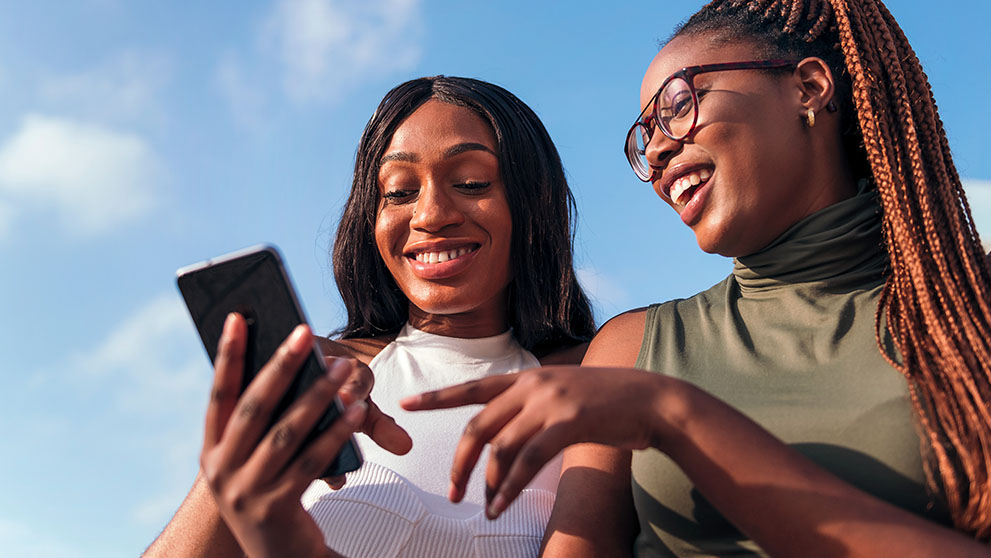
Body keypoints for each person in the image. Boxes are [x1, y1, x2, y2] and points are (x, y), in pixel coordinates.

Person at [400, 1, 991, 556]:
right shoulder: (632, 351)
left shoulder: (971, 315)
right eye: (643, 133)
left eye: (679, 105)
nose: (655, 150)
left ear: (808, 87)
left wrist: (678, 419)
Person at [143, 76, 595, 558]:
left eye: (470, 183)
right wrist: (237, 460)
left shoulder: (597, 375)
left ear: (535, 201)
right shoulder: (325, 376)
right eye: (399, 192)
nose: (431, 214)